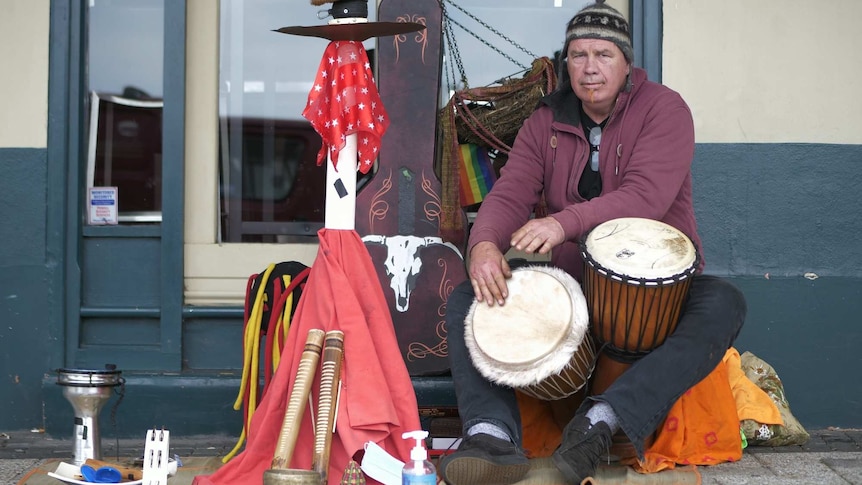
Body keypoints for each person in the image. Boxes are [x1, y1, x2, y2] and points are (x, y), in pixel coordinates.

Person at [438, 2, 747, 484]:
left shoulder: (664, 109)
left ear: (627, 64)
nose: (589, 67)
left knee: (723, 302)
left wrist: (562, 223)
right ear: (566, 64)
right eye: (578, 55)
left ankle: (600, 423)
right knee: (466, 300)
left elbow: (645, 196)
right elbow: (512, 190)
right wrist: (482, 246)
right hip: (573, 284)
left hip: (655, 292)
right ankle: (490, 435)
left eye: (603, 54)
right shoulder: (545, 121)